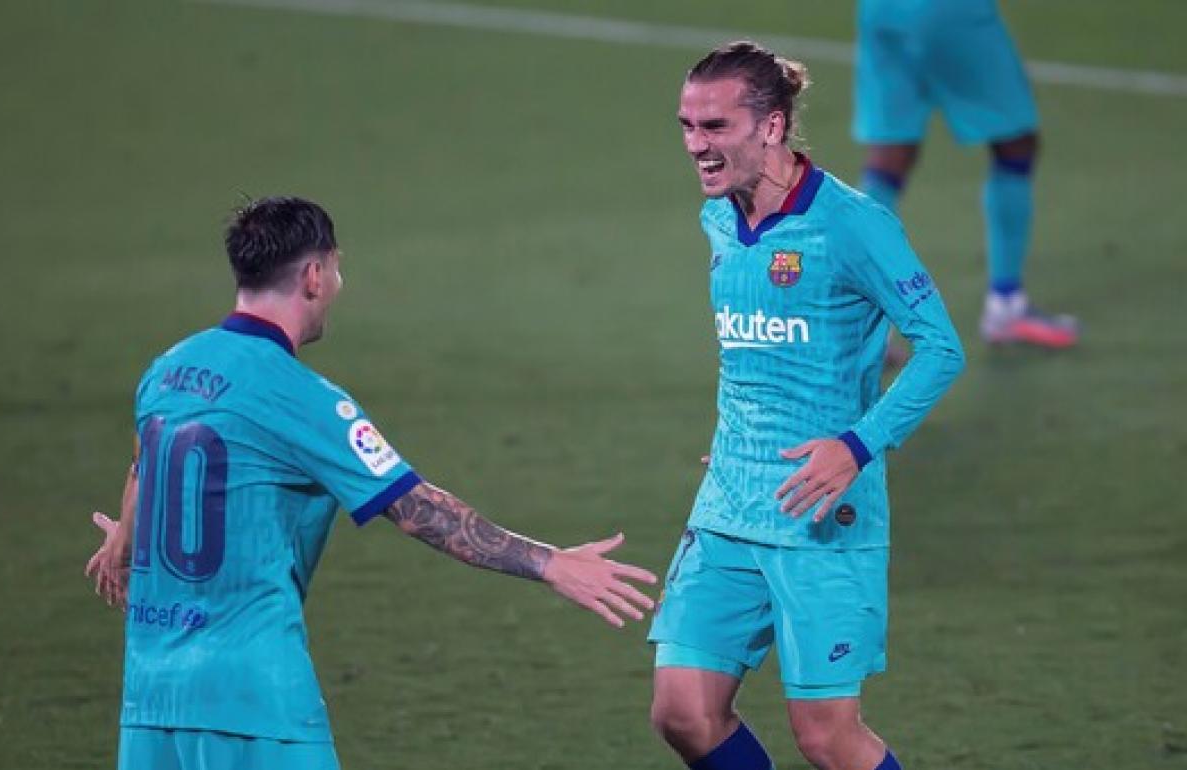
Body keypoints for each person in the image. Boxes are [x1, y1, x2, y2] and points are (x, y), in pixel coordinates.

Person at [84, 196, 658, 770]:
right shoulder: (302, 398)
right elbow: (418, 509)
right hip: (253, 700)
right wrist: (550, 563)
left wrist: (123, 545)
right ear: (314, 275)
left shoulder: (167, 370)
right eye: (336, 267)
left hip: (149, 697)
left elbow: (143, 467)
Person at [647, 42, 965, 770]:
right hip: (729, 500)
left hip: (821, 512)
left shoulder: (853, 224)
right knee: (684, 712)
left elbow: (941, 348)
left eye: (715, 126)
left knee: (825, 737)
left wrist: (856, 446)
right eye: (687, 126)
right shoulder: (719, 218)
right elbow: (755, 348)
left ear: (772, 126)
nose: (695, 145)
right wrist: (742, 433)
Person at [854, 0, 1078, 350]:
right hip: (947, 12)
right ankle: (1006, 305)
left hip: (881, 11)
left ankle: (856, 325)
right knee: (1016, 144)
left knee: (889, 156)